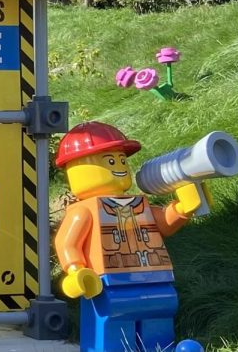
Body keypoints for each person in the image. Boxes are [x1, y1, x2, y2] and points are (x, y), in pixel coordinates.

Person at [54, 121, 204, 352]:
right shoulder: (84, 210)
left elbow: (162, 223)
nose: (120, 166)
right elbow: (67, 242)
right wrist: (76, 269)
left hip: (156, 279)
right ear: (77, 168)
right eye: (111, 161)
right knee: (113, 325)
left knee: (158, 316)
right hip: (107, 284)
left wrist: (182, 209)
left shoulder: (136, 203)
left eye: (122, 160)